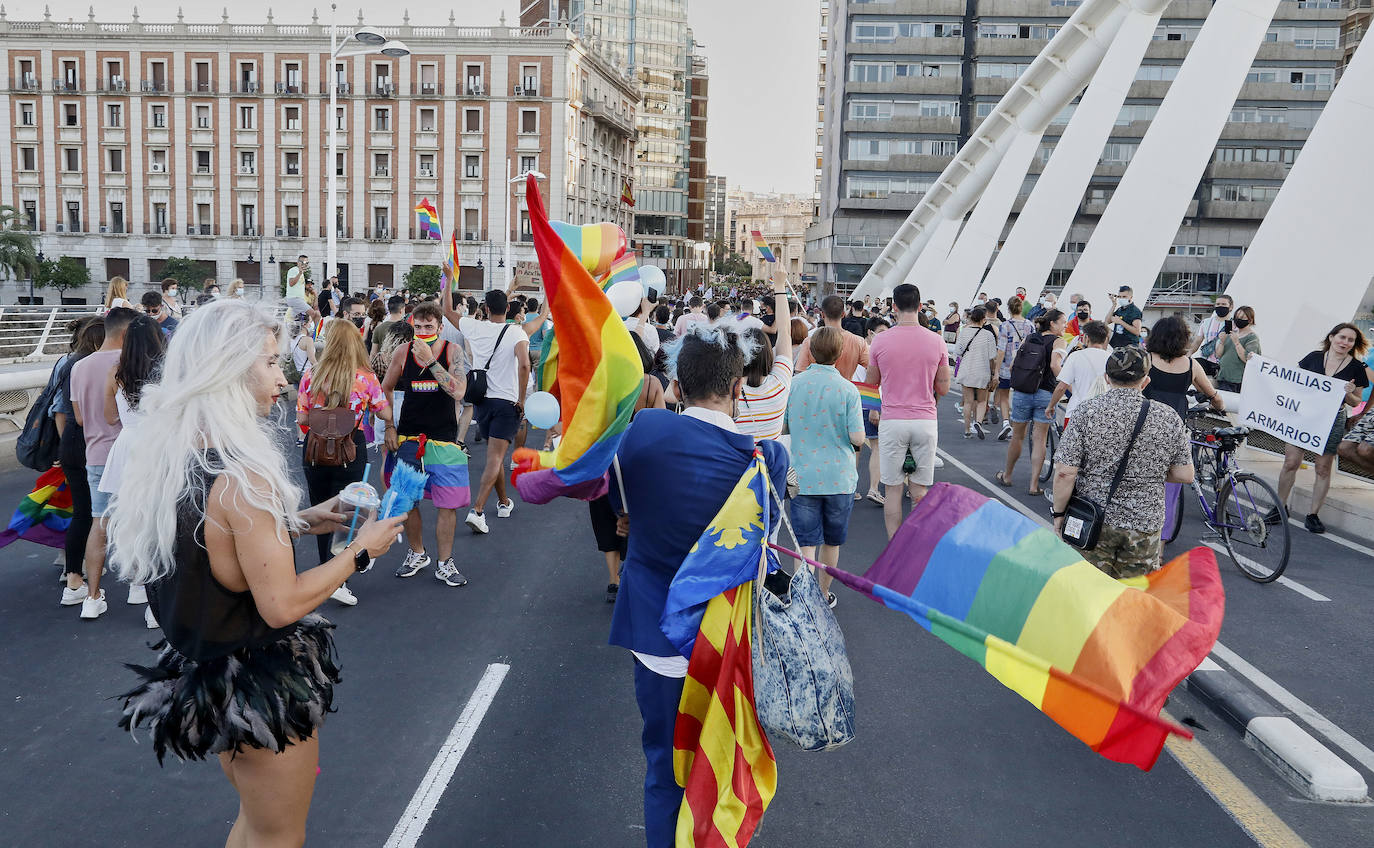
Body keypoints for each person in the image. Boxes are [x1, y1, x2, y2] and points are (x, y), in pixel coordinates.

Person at [108, 300, 404, 847]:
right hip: (259, 689)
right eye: (270, 362)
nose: (284, 379)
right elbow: (282, 604)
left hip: (210, 677)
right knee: (278, 837)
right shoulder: (246, 482)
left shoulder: (172, 461)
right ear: (228, 369)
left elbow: (215, 544)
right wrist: (361, 551)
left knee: (255, 825)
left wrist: (301, 520)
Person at [608, 323, 788, 847]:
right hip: (728, 645)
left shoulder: (640, 433)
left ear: (677, 387)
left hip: (658, 636)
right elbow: (759, 548)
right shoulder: (767, 459)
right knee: (721, 768)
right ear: (739, 388)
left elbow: (621, 505)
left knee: (665, 770)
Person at [1051, 347, 1194, 578]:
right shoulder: (1168, 417)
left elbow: (1065, 472)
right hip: (1144, 523)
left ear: (1107, 378)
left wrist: (1058, 514)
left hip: (1094, 518)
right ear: (1145, 381)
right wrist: (1149, 471)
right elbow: (1185, 474)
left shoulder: (1086, 412)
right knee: (1132, 598)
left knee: (1089, 592)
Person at [298, 319, 394, 602]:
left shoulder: (312, 375)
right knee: (348, 512)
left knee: (320, 510)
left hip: (314, 451)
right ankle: (339, 576)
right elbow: (385, 414)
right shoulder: (365, 378)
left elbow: (302, 418)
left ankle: (324, 572)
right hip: (351, 449)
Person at [381, 302, 471, 584]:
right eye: (417, 327)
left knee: (448, 504)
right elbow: (384, 387)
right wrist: (389, 427)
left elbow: (458, 392)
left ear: (440, 328)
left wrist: (431, 362)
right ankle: (417, 552)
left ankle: (445, 563)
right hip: (408, 436)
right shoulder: (402, 352)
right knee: (407, 500)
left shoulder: (452, 352)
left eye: (428, 327)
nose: (422, 332)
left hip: (444, 439)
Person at [94, 315, 165, 628]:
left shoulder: (115, 373)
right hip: (158, 446)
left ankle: (137, 582)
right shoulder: (167, 373)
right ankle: (156, 603)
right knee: (161, 521)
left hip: (127, 446)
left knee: (131, 517)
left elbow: (110, 417)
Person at [786, 327, 864, 608]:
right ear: (840, 353)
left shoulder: (794, 385)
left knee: (805, 543)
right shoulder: (847, 389)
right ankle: (823, 594)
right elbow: (857, 437)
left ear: (810, 351)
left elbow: (783, 426)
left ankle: (802, 600)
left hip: (801, 475)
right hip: (838, 477)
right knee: (832, 542)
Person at [68, 306, 137, 620]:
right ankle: (140, 588)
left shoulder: (79, 366)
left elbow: (80, 418)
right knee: (140, 522)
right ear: (126, 333)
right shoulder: (128, 363)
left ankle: (92, 597)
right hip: (128, 456)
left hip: (94, 454)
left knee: (99, 524)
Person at [867, 284, 951, 539]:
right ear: (920, 305)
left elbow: (872, 382)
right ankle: (915, 544)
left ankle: (894, 544)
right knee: (920, 490)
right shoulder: (936, 341)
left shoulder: (880, 340)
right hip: (925, 420)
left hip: (893, 419)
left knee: (892, 489)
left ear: (893, 307)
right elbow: (944, 388)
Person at [590, 335, 666, 604]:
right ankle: (632, 572)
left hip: (606, 461)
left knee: (603, 517)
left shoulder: (604, 384)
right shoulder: (651, 384)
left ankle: (613, 580)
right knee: (635, 518)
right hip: (640, 462)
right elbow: (660, 426)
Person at [1274, 324, 1371, 534]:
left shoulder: (1356, 367)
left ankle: (1313, 514)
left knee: (1323, 468)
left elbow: (1355, 402)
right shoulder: (1313, 358)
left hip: (1332, 420)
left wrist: (1348, 392)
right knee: (1291, 462)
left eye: (1350, 340)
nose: (1345, 342)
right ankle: (1280, 507)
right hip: (1303, 417)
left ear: (1354, 344)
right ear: (1332, 337)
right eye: (1342, 337)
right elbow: (1294, 383)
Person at [456, 289, 529, 533]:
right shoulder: (516, 332)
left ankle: (503, 502)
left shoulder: (474, 327)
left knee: (493, 455)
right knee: (495, 458)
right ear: (508, 309)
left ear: (485, 308)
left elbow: (446, 310)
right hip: (506, 402)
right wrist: (521, 398)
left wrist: (447, 283)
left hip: (482, 401)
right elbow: (524, 364)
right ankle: (477, 510)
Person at [55, 318, 105, 608]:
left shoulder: (71, 365)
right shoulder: (101, 367)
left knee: (82, 513)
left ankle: (73, 579)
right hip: (95, 442)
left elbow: (61, 411)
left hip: (72, 442)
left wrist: (65, 448)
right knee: (104, 512)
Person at [996, 309, 1067, 494]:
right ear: (1053, 324)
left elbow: (1013, 366)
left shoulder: (1030, 338)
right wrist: (1066, 384)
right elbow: (1054, 365)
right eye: (1063, 322)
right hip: (1046, 394)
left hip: (1023, 392)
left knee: (1017, 436)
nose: (1065, 326)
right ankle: (1034, 485)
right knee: (1040, 439)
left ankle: (1007, 475)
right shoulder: (1059, 341)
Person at [734, 272, 793, 441]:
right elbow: (783, 331)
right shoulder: (780, 384)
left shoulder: (728, 394)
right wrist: (780, 286)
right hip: (770, 464)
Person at [1143, 314, 1225, 420]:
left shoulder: (1145, 359)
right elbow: (1214, 397)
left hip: (1147, 420)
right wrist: (1220, 407)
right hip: (1176, 422)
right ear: (1184, 338)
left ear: (1154, 336)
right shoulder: (1192, 365)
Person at [1044, 320, 1111, 428]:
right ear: (1105, 339)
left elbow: (1061, 387)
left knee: (1071, 445)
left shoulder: (1076, 356)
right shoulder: (1111, 358)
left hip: (1076, 411)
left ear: (1086, 337)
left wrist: (1051, 406)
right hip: (1102, 414)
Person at [794, 295, 869, 379]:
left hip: (815, 390)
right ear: (843, 314)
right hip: (846, 389)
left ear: (822, 315)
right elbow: (871, 367)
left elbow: (800, 371)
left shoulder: (810, 341)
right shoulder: (859, 342)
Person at [951, 305, 998, 439]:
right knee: (982, 401)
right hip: (982, 371)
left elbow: (958, 352)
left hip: (966, 370)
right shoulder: (988, 335)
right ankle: (977, 422)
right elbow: (992, 357)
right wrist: (993, 373)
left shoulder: (964, 332)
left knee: (968, 402)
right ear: (983, 319)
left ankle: (967, 430)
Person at [993, 296, 1035, 441]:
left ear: (1009, 309)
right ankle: (1018, 425)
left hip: (1006, 366)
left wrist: (996, 371)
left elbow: (1001, 350)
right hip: (1024, 367)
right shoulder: (1030, 325)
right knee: (1020, 395)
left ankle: (1006, 423)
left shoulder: (1005, 325)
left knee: (1004, 396)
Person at [1213, 305, 1260, 392]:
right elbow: (1218, 355)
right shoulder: (1231, 334)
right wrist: (1222, 342)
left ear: (1250, 320)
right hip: (1223, 376)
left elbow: (1248, 359)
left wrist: (1237, 343)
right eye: (1236, 317)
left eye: (1242, 317)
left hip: (1237, 381)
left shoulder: (1252, 338)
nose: (1238, 320)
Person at [1190, 294, 1234, 377]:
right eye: (1218, 304)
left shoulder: (1230, 323)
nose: (1220, 306)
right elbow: (1198, 341)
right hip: (1205, 359)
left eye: (1224, 304)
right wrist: (1188, 354)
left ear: (1231, 307)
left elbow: (1228, 344)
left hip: (1222, 364)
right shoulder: (1206, 322)